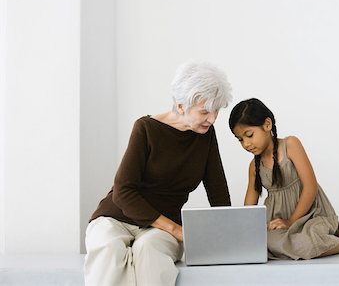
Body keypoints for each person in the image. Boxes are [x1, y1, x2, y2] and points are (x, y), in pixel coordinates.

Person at [84, 61, 233, 286]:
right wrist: (175, 228)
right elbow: (123, 191)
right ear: (181, 106)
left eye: (216, 111)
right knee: (109, 248)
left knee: (149, 251)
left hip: (160, 231)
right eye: (204, 111)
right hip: (116, 218)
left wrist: (229, 236)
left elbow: (218, 191)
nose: (212, 119)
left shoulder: (206, 136)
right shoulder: (146, 129)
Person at [228, 98, 339, 260]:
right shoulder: (254, 166)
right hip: (278, 223)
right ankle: (295, 244)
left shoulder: (290, 145)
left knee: (306, 244)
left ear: (267, 125)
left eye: (249, 135)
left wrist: (291, 221)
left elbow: (310, 187)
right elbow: (249, 209)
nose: (246, 144)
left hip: (310, 215)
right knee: (260, 245)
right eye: (240, 139)